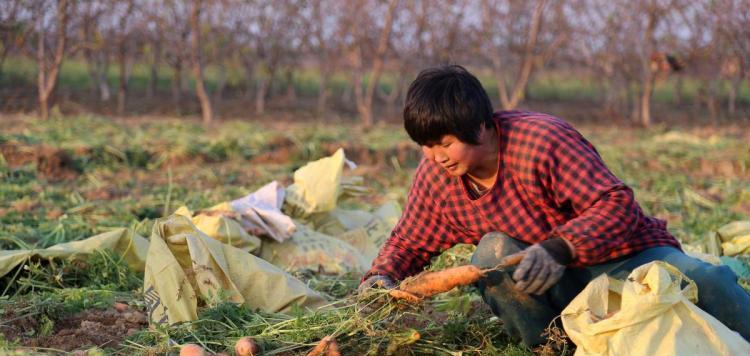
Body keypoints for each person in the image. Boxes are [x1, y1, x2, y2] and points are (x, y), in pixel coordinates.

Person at [357, 64, 750, 346]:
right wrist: (381, 279)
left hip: (625, 259)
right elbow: (409, 242)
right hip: (553, 288)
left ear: (479, 125)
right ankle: (552, 345)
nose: (435, 156)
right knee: (492, 252)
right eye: (425, 146)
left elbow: (617, 206)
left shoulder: (542, 141)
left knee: (709, 282)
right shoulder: (437, 180)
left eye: (445, 143)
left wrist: (559, 247)